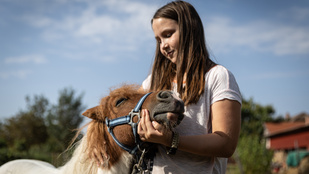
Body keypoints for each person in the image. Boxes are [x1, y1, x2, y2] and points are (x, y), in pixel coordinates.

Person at [137, 1, 242, 173]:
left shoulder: (218, 77)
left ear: (189, 30)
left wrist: (172, 140)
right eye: (158, 40)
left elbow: (226, 144)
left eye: (168, 34)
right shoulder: (151, 83)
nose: (163, 45)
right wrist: (103, 144)